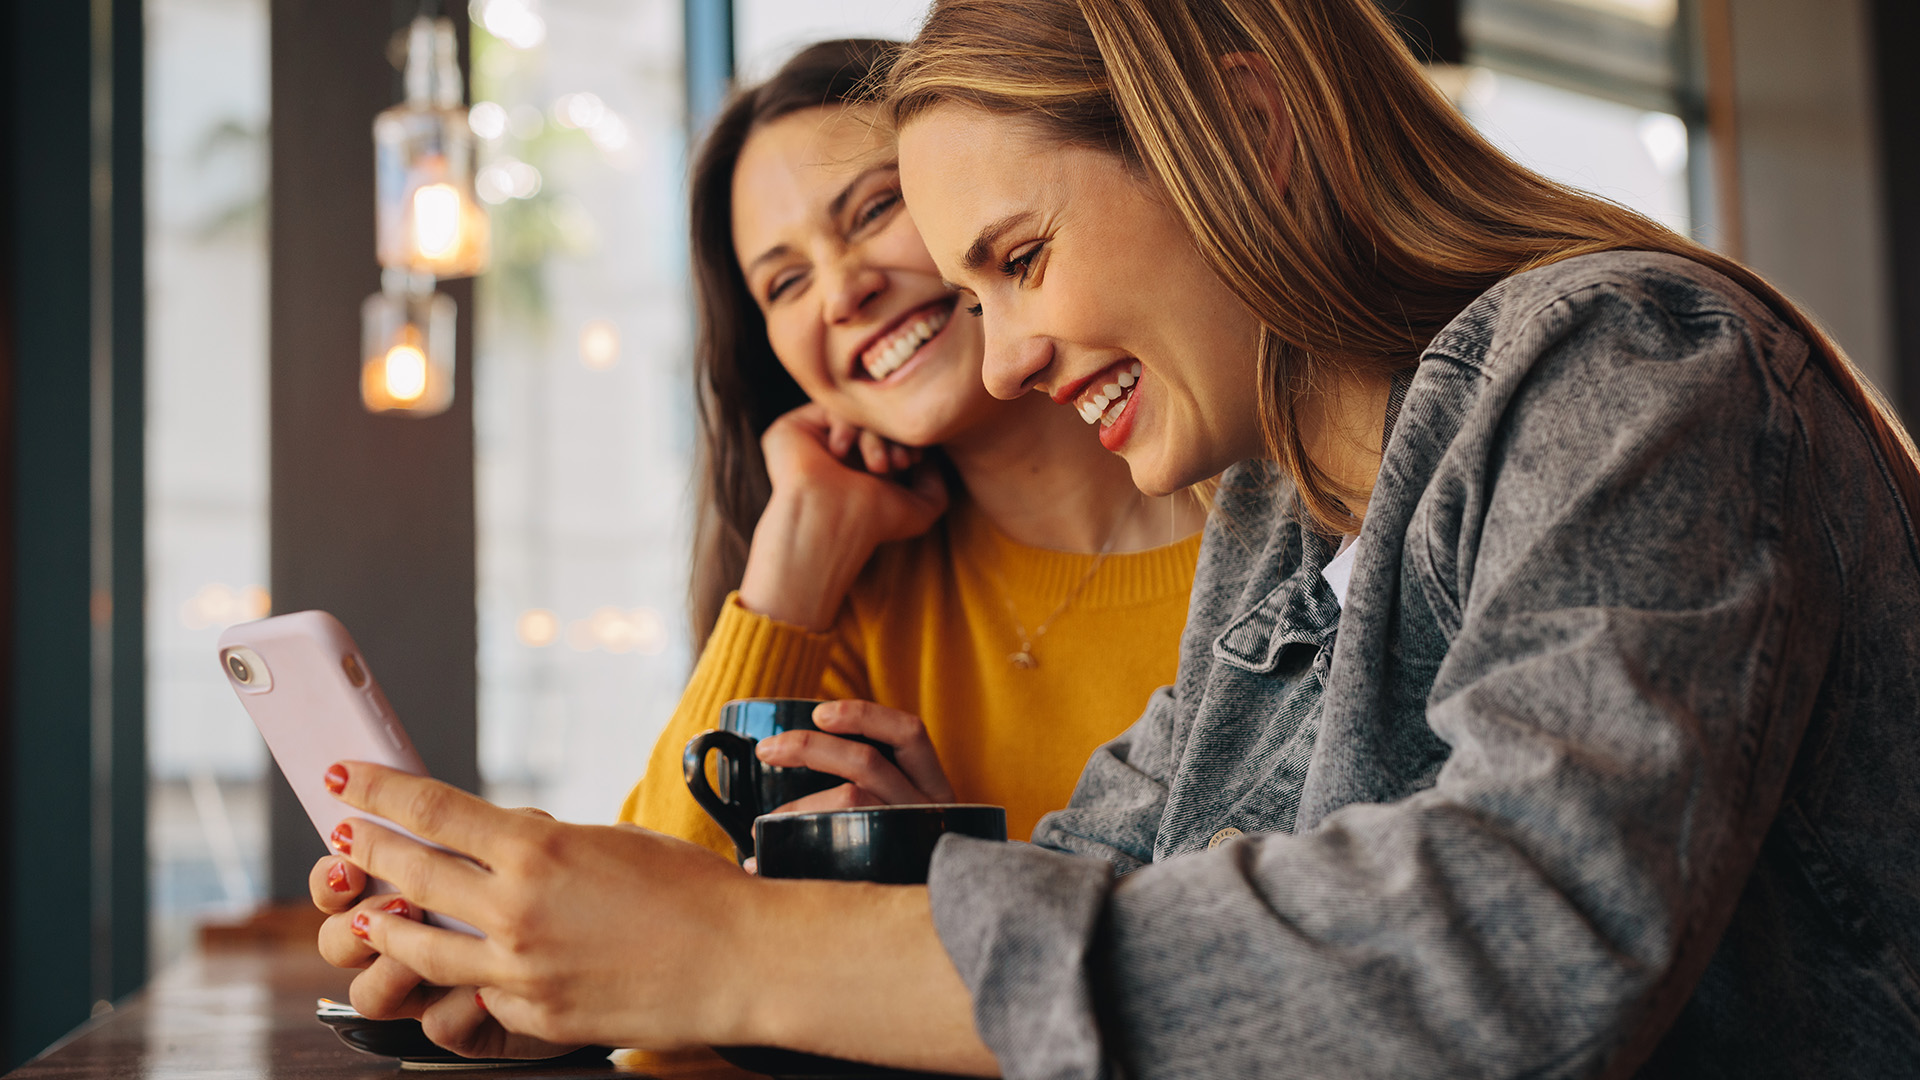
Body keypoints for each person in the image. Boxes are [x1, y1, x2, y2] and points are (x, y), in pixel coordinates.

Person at [308, 1, 1920, 1075]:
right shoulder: (1287, 527)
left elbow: (1518, 943)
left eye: (1015, 256)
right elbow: (1094, 870)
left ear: (1247, 129)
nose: (996, 353)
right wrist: (565, 972)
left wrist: (728, 947)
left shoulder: (1628, 362)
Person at [618, 37, 1204, 853]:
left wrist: (965, 882)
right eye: (785, 284)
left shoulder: (1287, 512)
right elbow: (653, 930)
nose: (843, 290)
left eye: (874, 210)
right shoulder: (847, 608)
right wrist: (797, 552)